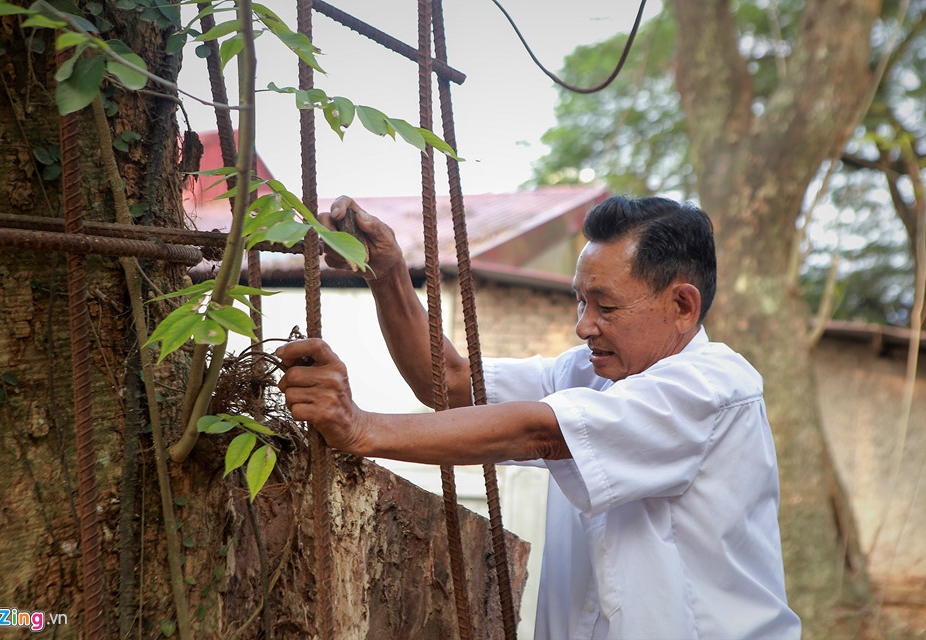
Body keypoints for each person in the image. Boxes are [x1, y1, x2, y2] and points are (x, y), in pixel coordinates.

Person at [277, 194, 802, 640]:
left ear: (683, 306)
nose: (584, 327)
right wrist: (388, 274)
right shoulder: (593, 373)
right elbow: (452, 384)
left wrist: (360, 428)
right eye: (580, 303)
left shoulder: (711, 387)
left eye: (606, 307)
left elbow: (540, 433)